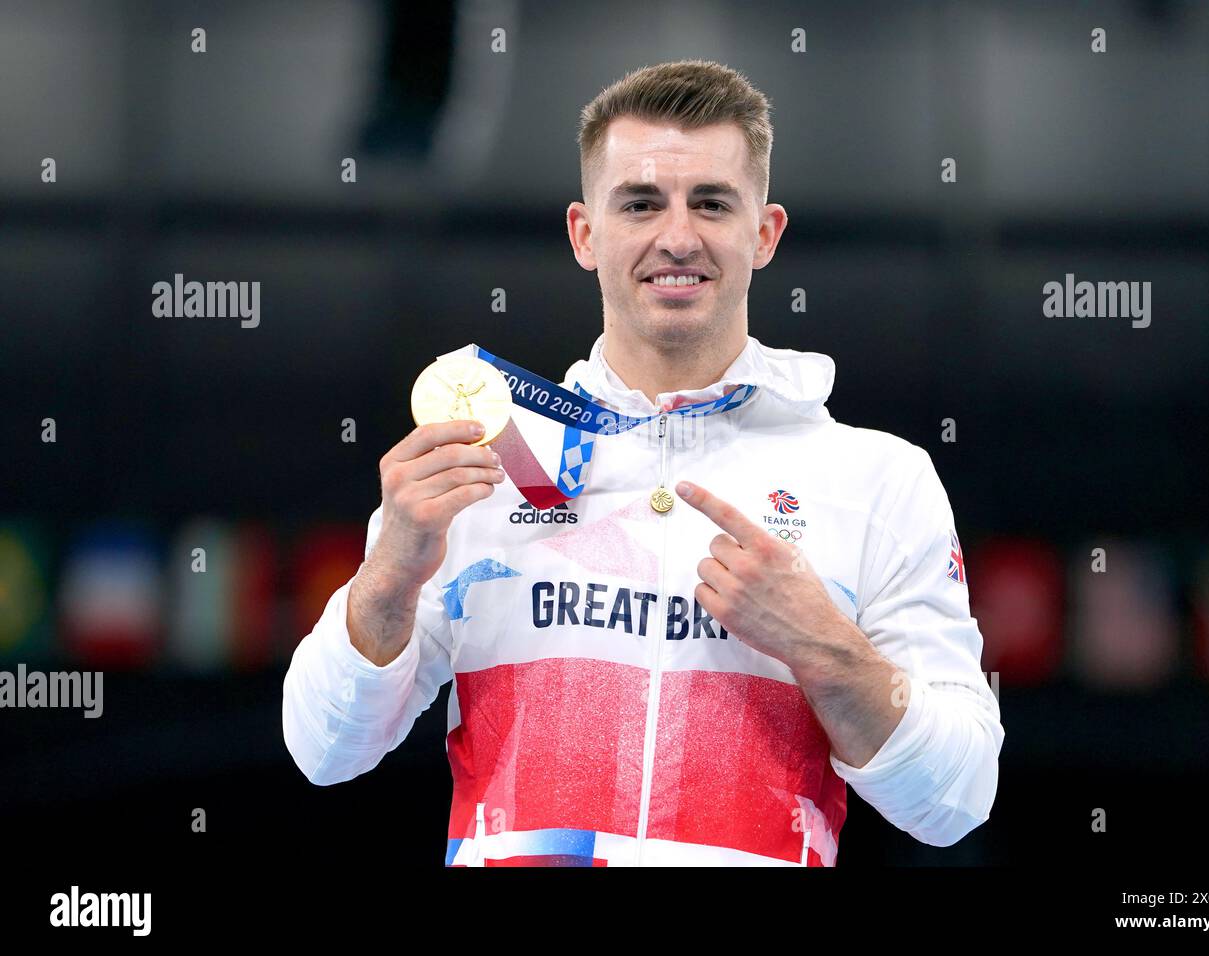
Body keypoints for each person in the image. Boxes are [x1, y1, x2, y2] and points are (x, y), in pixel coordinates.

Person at [282, 59, 1003, 867]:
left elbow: (958, 797)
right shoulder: (483, 461)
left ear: (763, 233)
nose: (678, 237)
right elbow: (323, 751)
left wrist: (823, 647)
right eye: (640, 204)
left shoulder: (877, 481)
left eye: (712, 204)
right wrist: (390, 572)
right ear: (585, 234)